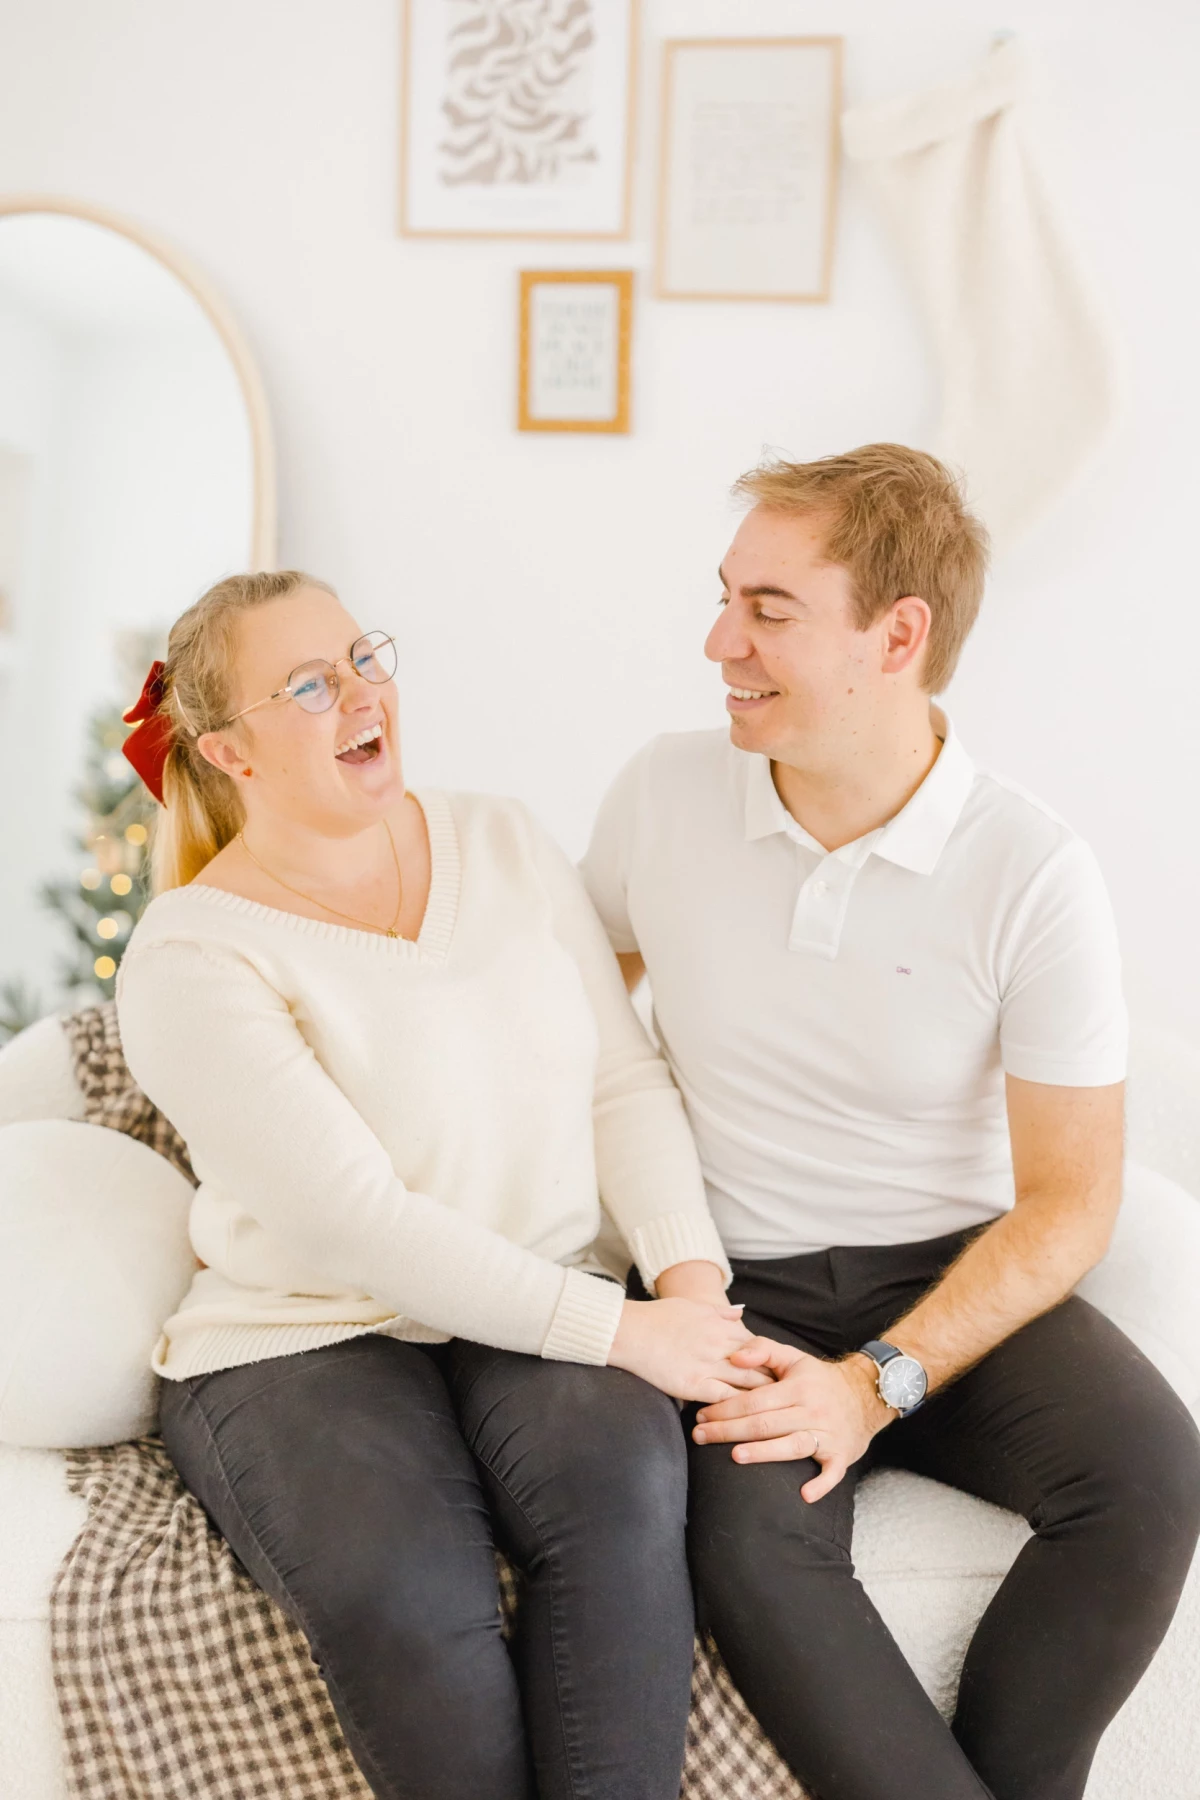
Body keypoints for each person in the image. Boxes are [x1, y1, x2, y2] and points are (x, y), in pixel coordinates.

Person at [580, 444, 1200, 1800]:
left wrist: (876, 1386)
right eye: (725, 596)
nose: (718, 640)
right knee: (747, 1544)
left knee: (1152, 1484)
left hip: (951, 1276)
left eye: (769, 610)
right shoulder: (665, 796)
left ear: (898, 634)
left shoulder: (1031, 871)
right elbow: (566, 1018)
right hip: (734, 1290)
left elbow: (1071, 1203)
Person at [113, 569, 762, 1800]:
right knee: (405, 1592)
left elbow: (621, 1082)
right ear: (227, 751)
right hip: (307, 1335)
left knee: (621, 1511)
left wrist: (693, 1293)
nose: (363, 694)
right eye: (310, 684)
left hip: (550, 1286)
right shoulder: (193, 950)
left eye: (366, 658)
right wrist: (623, 1331)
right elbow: (358, 1225)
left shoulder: (503, 838)